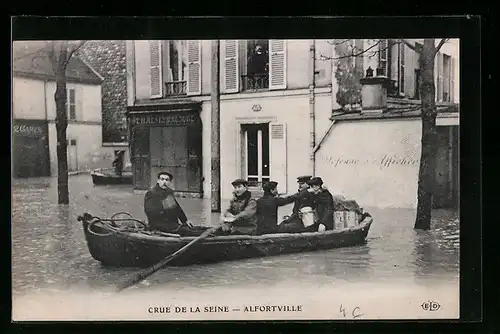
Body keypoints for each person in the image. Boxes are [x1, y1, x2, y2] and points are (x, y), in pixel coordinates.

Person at [144, 171, 206, 236]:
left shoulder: (169, 192)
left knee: (193, 228)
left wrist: (185, 221)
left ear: (170, 182)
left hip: (171, 224)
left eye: (167, 180)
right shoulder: (151, 193)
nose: (164, 182)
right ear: (158, 181)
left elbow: (176, 207)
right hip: (158, 225)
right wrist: (164, 208)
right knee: (187, 231)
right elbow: (149, 211)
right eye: (162, 179)